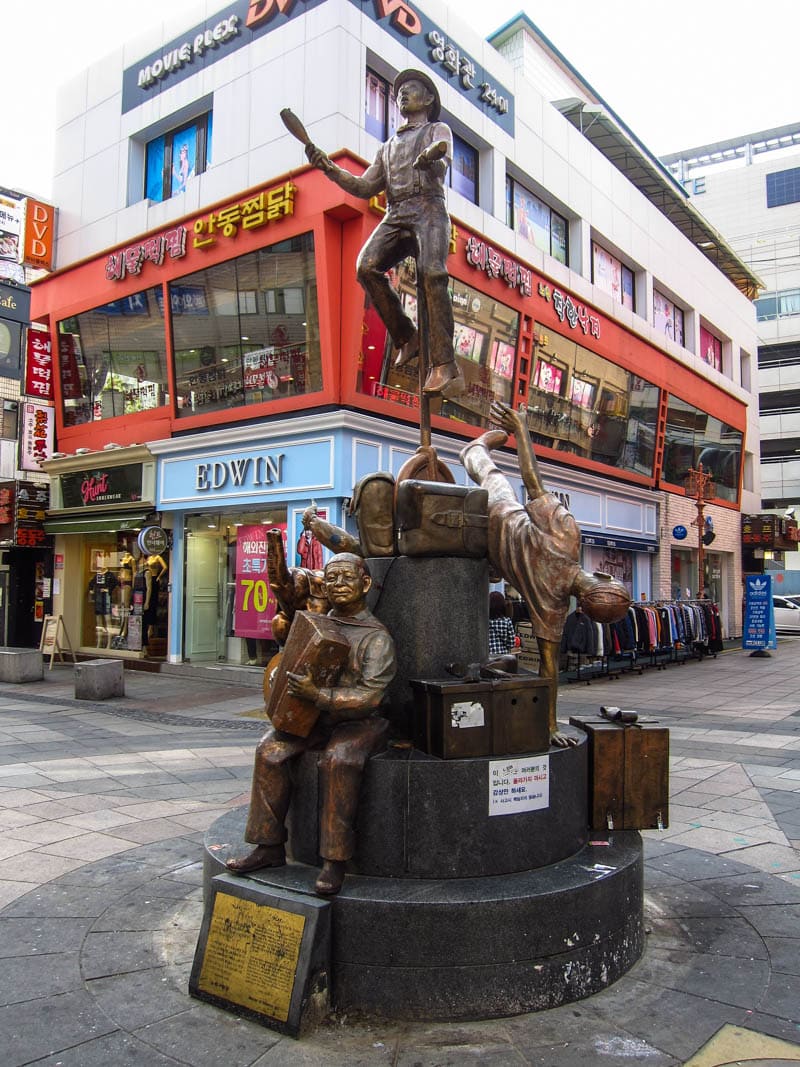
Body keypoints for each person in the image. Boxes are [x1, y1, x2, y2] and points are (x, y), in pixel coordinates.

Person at [461, 399, 628, 747]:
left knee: (490, 474)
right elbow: (548, 671)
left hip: (500, 515)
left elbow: (532, 481)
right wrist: (549, 726)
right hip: (491, 557)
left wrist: (522, 429)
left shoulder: (568, 535)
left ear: (603, 577)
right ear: (583, 608)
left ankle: (473, 449)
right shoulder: (554, 609)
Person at [227, 553, 396, 896]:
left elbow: (370, 697)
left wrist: (318, 694)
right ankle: (268, 846)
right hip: (316, 716)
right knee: (270, 750)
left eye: (347, 578)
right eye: (331, 579)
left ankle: (335, 860)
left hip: (361, 721)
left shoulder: (376, 637)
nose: (338, 586)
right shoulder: (316, 624)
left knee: (340, 760)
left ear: (365, 584)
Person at [306, 69, 463, 398]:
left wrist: (431, 155)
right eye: (400, 91)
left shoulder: (437, 128)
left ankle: (444, 363)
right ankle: (406, 336)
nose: (403, 95)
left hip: (429, 209)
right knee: (366, 266)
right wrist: (329, 169)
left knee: (432, 273)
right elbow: (364, 187)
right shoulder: (387, 147)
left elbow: (443, 149)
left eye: (412, 89)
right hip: (396, 212)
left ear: (429, 99)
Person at [488, 591, 516, 656]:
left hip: (486, 657)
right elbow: (511, 644)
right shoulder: (507, 621)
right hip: (502, 657)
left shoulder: (483, 621)